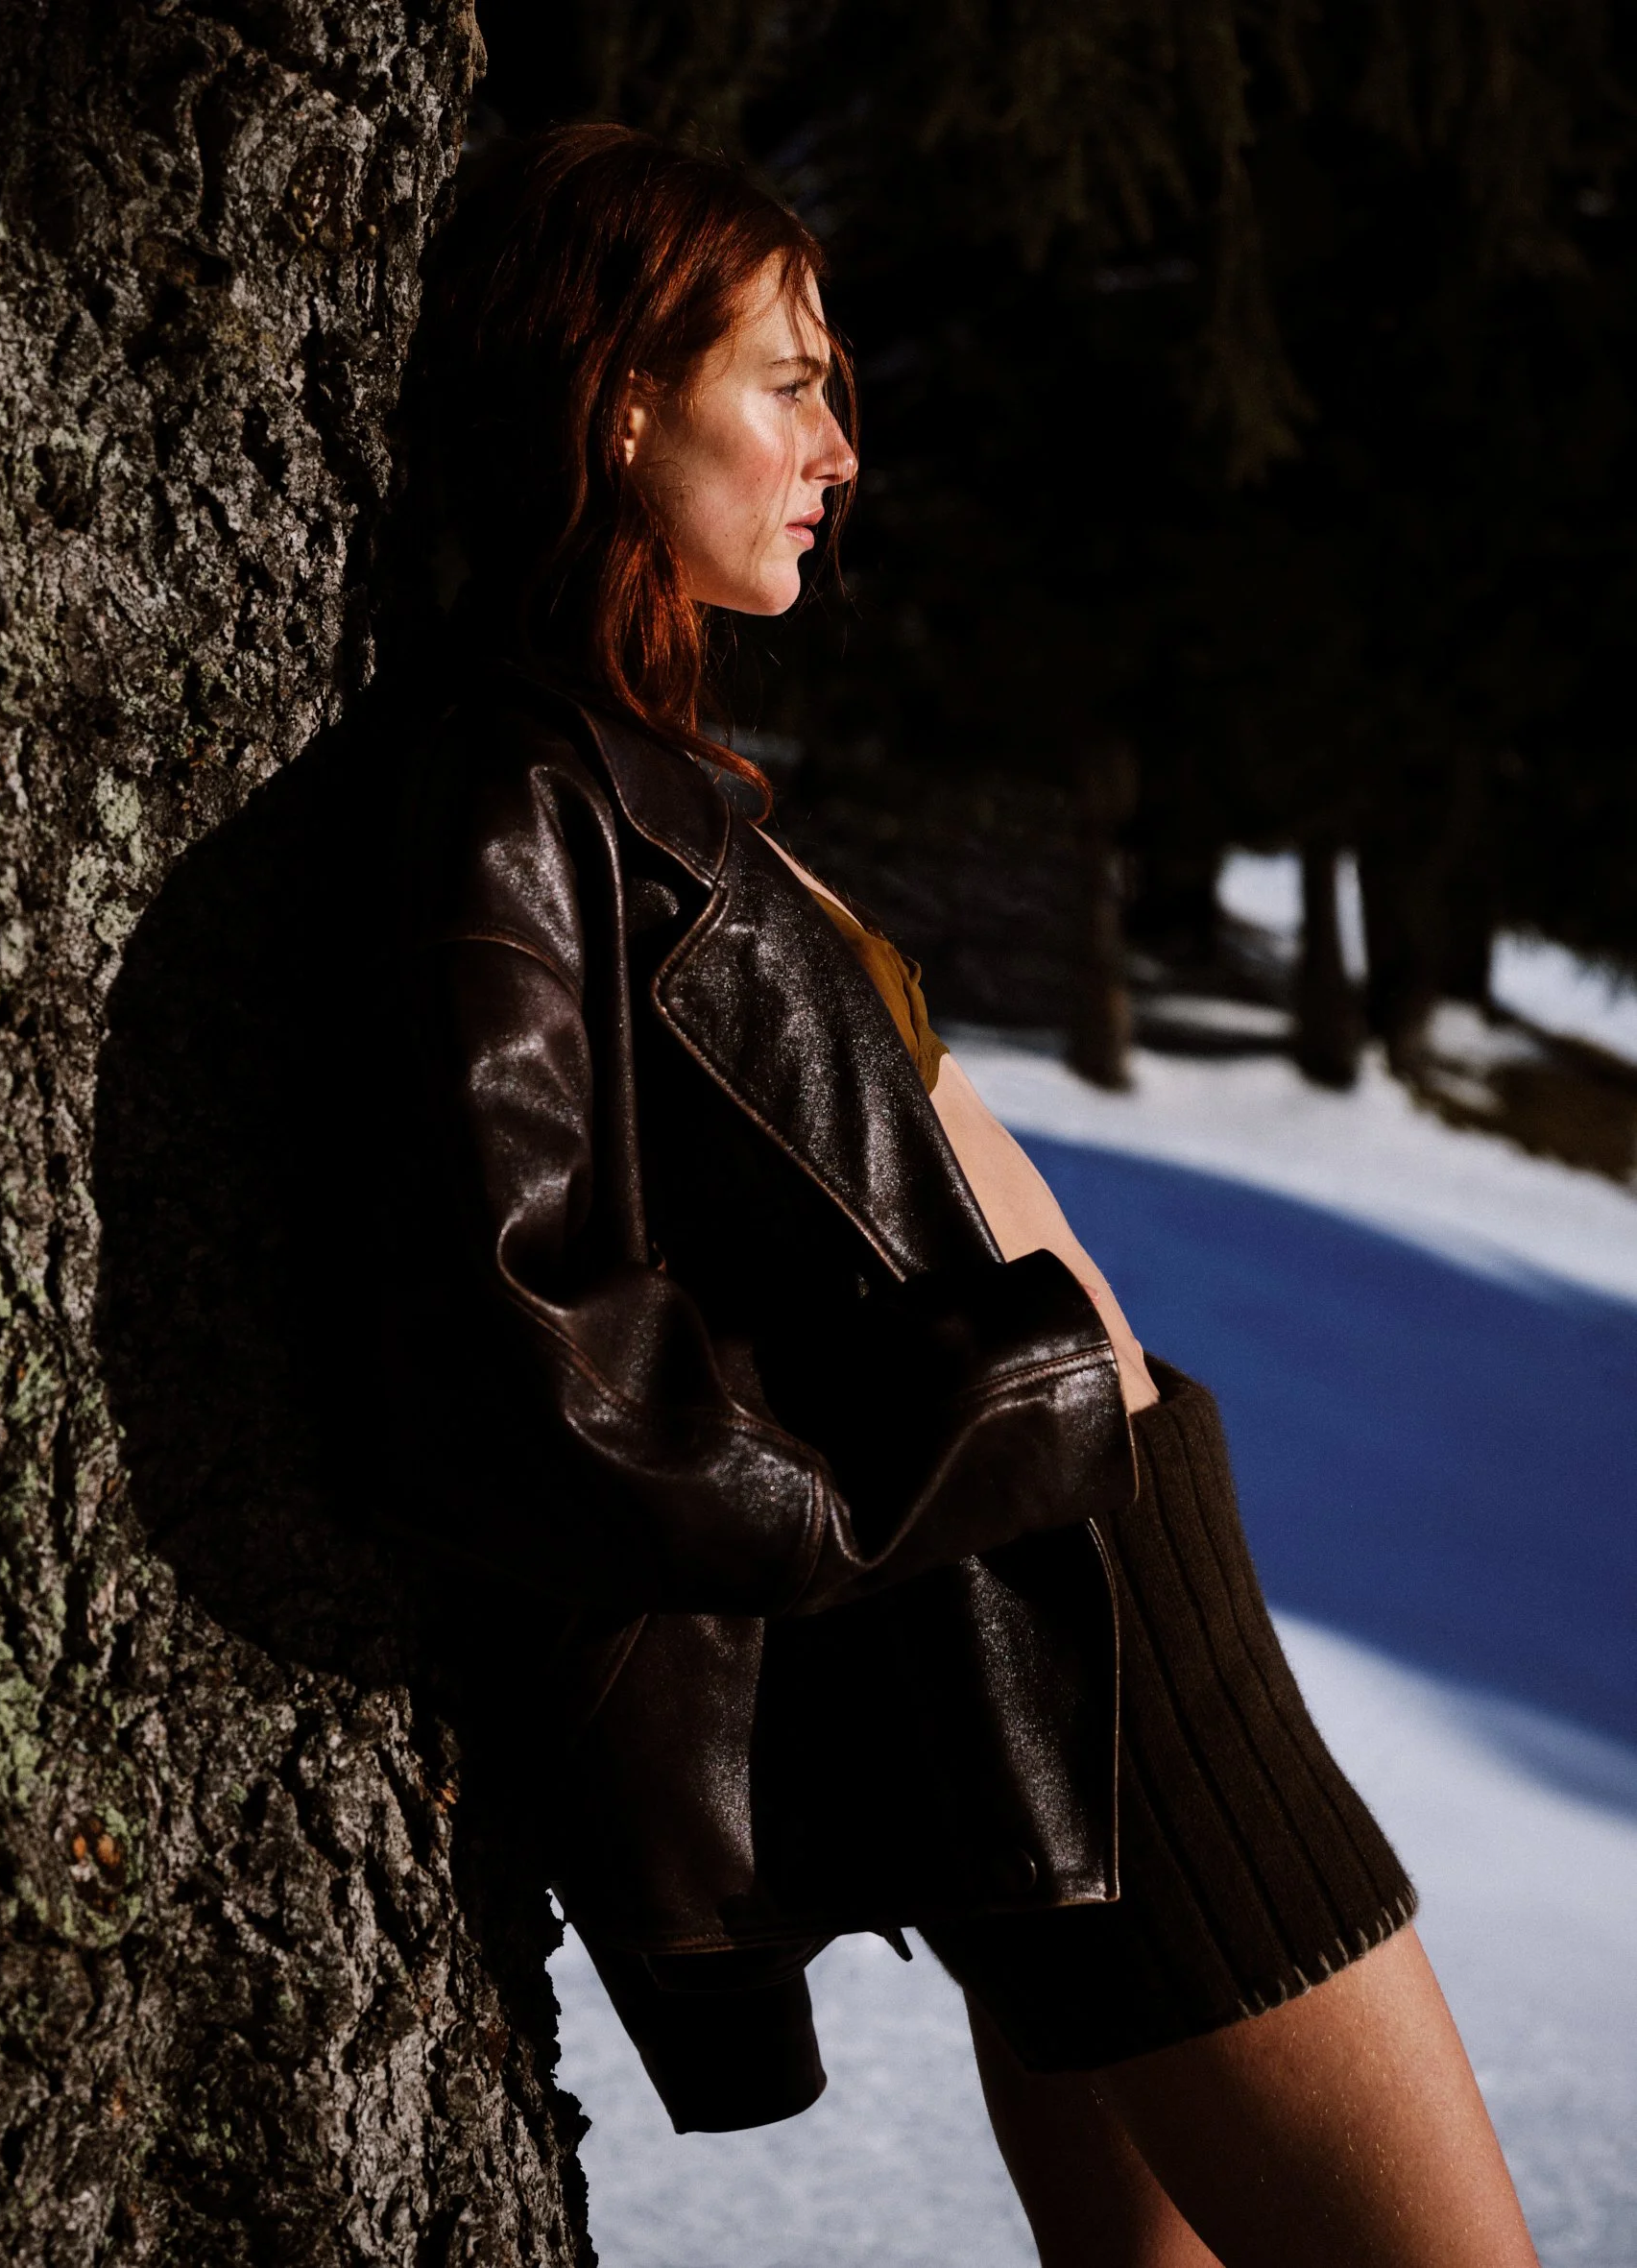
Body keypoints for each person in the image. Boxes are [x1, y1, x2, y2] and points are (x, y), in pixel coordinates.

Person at [383, 123, 1540, 2267]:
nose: (841, 442)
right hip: (1074, 1635)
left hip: (1067, 1613)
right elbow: (538, 1356)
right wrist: (972, 1423)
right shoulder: (521, 799)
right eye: (787, 379)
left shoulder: (638, 775)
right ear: (617, 396)